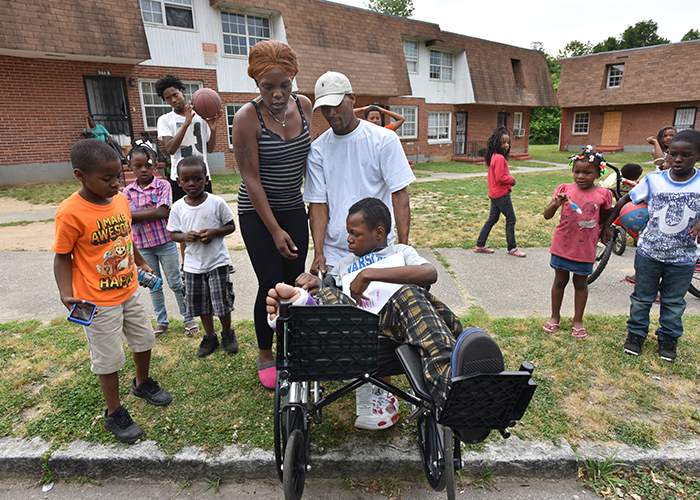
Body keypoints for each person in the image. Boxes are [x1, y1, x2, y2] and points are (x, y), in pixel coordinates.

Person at [265, 198, 500, 430]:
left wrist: (369, 274)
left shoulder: (400, 251)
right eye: (348, 232)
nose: (348, 238)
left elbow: (429, 273)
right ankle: (302, 303)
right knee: (328, 297)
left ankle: (454, 390)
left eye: (354, 233)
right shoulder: (344, 264)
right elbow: (330, 290)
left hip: (398, 320)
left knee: (409, 295)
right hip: (355, 326)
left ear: (379, 232)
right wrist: (315, 284)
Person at [304, 71, 415, 428]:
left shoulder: (382, 140)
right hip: (338, 249)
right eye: (325, 110)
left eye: (337, 106)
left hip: (378, 248)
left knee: (379, 320)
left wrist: (404, 247)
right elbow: (317, 204)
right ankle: (335, 376)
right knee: (336, 317)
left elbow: (399, 195)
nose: (332, 114)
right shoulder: (319, 148)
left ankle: (377, 386)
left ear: (352, 99)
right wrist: (318, 251)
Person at [53, 139, 172, 444]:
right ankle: (113, 411)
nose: (116, 184)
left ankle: (142, 383)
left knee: (144, 339)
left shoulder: (119, 201)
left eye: (118, 176)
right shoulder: (70, 212)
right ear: (80, 175)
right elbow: (62, 256)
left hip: (128, 288)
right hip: (96, 299)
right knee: (109, 358)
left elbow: (126, 237)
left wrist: (142, 263)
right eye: (106, 179)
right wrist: (67, 294)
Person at [232, 40, 313, 389]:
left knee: (296, 284)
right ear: (255, 82)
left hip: (294, 207)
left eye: (284, 85)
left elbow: (313, 163)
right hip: (257, 212)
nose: (277, 94)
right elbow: (250, 178)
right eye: (268, 87)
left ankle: (292, 349)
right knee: (270, 283)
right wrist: (274, 229)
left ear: (294, 78)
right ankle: (266, 352)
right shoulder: (246, 117)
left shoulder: (305, 106)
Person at [609, 129, 700, 362]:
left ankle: (668, 339)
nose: (677, 159)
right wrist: (606, 225)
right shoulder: (654, 180)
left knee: (673, 302)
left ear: (697, 155)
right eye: (673, 154)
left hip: (683, 258)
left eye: (686, 155)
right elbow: (626, 199)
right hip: (649, 253)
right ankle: (635, 335)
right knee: (641, 298)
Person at [123, 140, 199, 337]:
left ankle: (188, 318)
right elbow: (127, 217)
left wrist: (137, 214)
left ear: (155, 165)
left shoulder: (163, 185)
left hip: (165, 244)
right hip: (143, 247)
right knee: (154, 284)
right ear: (130, 168)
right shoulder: (127, 192)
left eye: (148, 165)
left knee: (176, 282)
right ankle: (162, 321)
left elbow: (163, 212)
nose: (143, 170)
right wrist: (150, 211)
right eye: (137, 166)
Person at [167, 156, 238, 358]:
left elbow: (231, 225)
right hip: (192, 265)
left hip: (217, 262)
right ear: (178, 181)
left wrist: (214, 232)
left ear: (206, 179)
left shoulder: (217, 202)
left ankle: (227, 333)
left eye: (197, 179)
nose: (192, 184)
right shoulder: (178, 207)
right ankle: (210, 336)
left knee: (221, 301)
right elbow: (172, 233)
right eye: (186, 179)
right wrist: (185, 236)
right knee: (201, 304)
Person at [542, 146, 613, 339]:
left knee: (580, 283)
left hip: (585, 247)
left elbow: (606, 217)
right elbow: (547, 215)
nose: (580, 176)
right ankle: (554, 316)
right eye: (577, 171)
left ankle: (578, 320)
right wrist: (556, 203)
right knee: (559, 281)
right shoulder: (564, 190)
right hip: (563, 244)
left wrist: (606, 230)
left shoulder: (603, 194)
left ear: (599, 172)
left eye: (587, 172)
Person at [156, 75, 219, 203]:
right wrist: (186, 124)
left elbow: (210, 149)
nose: (173, 100)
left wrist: (212, 129)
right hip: (181, 179)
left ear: (182, 91)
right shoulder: (165, 120)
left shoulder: (201, 116)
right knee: (184, 218)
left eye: (175, 95)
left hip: (202, 177)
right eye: (168, 98)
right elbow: (170, 149)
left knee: (207, 215)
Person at [475, 127, 526, 257]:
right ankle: (512, 248)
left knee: (492, 219)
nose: (506, 145)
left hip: (494, 193)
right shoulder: (499, 158)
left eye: (508, 142)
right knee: (511, 219)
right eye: (503, 142)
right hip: (501, 194)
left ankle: (480, 245)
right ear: (496, 143)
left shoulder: (494, 156)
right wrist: (512, 180)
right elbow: (500, 177)